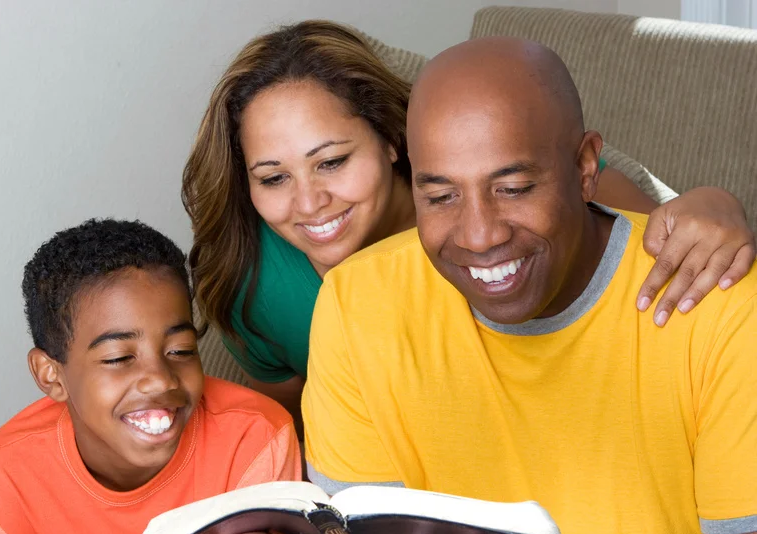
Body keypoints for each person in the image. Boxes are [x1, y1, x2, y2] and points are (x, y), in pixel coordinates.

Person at [226, 38, 757, 534]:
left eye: (514, 188)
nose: (479, 236)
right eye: (442, 196)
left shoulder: (715, 298)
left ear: (584, 166)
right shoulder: (350, 303)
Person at [182, 20, 755, 436]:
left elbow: (655, 239)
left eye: (331, 162)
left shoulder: (525, 184)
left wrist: (714, 205)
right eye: (273, 177)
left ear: (390, 139)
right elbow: (296, 434)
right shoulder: (249, 283)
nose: (309, 202)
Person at [0, 219, 299, 534]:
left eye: (180, 350)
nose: (159, 378)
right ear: (51, 374)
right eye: (118, 358)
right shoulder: (7, 475)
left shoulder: (252, 437)